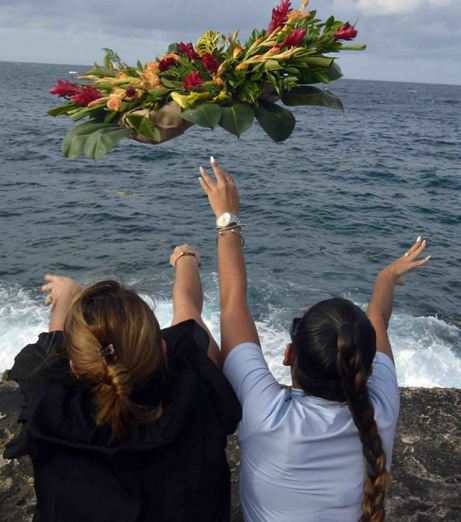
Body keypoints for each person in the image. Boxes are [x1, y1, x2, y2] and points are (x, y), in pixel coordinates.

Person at [199, 157, 431, 522]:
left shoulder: (266, 415)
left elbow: (231, 303)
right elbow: (378, 322)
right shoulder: (380, 408)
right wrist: (386, 277)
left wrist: (228, 215)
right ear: (366, 367)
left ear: (288, 354)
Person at [4, 245, 241, 522]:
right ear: (163, 349)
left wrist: (66, 299)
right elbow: (188, 309)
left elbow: (52, 347)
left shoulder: (51, 410)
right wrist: (185, 259)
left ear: (74, 368)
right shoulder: (193, 388)